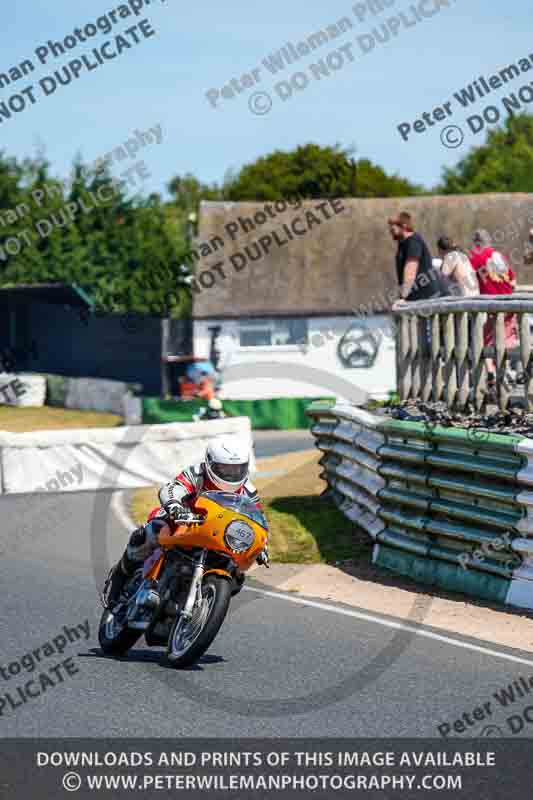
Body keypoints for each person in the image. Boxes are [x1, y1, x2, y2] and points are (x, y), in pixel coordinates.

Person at [102, 435, 266, 608]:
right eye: (225, 468)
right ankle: (119, 577)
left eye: (237, 469)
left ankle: (205, 602)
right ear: (210, 463)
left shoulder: (248, 489)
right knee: (149, 533)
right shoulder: (197, 473)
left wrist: (261, 545)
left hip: (217, 534)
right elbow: (173, 488)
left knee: (238, 575)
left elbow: (256, 519)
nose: (231, 474)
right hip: (184, 521)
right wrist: (175, 507)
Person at [469, 229, 518, 383]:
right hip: (510, 303)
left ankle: (491, 372)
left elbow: (468, 281)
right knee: (507, 339)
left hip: (492, 305)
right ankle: (510, 370)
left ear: (476, 243)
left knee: (484, 340)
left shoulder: (475, 257)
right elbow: (513, 281)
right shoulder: (499, 255)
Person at [388, 212, 443, 308]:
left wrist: (403, 298)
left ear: (404, 225)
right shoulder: (403, 244)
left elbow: (410, 271)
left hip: (425, 298)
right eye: (390, 225)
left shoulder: (413, 242)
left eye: (394, 225)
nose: (391, 229)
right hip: (416, 298)